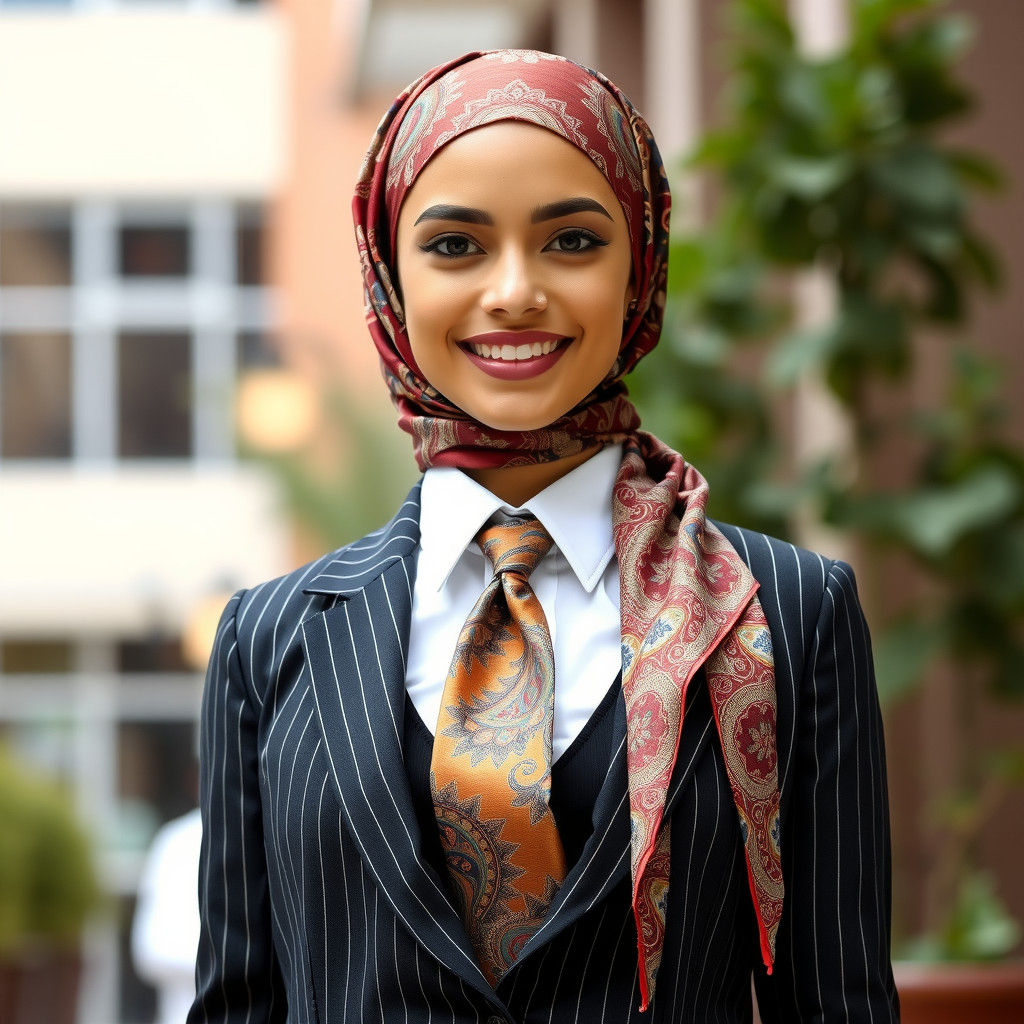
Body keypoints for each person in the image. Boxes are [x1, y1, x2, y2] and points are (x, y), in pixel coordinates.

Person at [189, 50, 899, 1023]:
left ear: (640, 263)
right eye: (455, 246)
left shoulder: (785, 611)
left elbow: (839, 1005)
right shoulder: (267, 641)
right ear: (388, 271)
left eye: (571, 240)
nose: (515, 291)